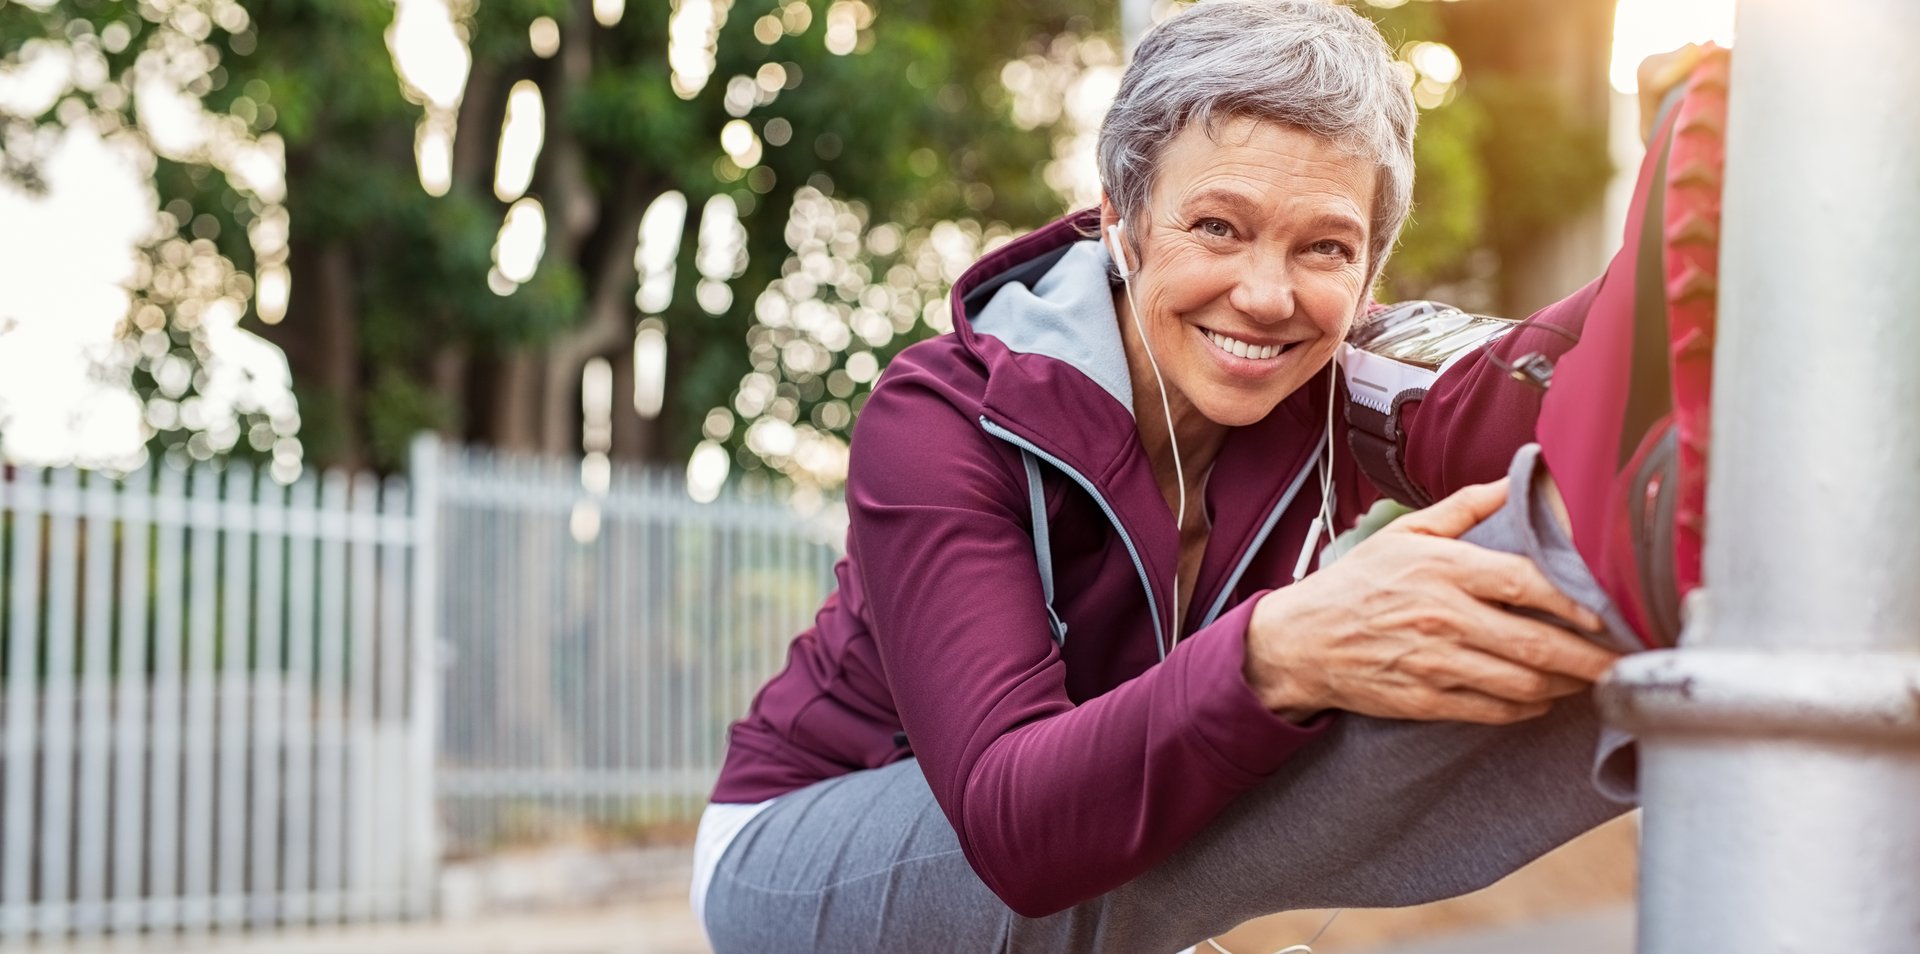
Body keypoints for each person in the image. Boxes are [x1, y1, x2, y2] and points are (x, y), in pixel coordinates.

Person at [694, 2, 1724, 950]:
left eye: (1325, 246)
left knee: (1564, 520)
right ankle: (1636, 577)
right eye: (1218, 228)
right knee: (1330, 665)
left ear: (1369, 270)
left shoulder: (1341, 377)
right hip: (818, 840)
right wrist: (1280, 651)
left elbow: (1519, 389)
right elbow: (1016, 828)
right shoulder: (949, 413)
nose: (1267, 295)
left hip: (1110, 831)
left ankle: (1674, 576)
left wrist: (1719, 225)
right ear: (1121, 221)